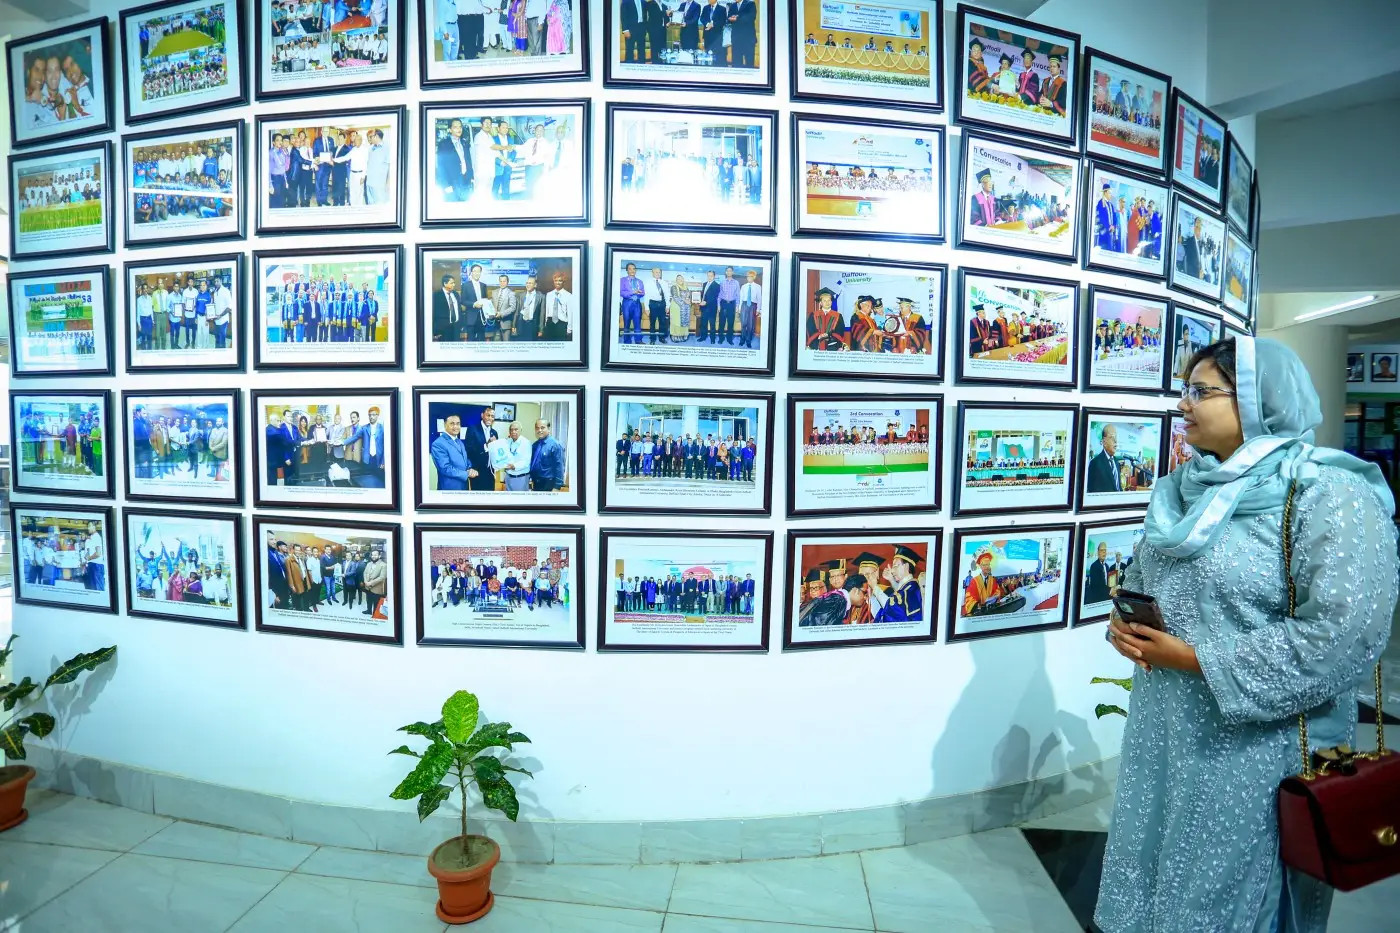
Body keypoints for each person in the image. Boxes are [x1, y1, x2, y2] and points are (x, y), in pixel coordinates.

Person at [1096, 337, 1399, 933]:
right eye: (1184, 389)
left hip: (1256, 746)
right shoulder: (1184, 490)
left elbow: (1345, 634)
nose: (1182, 404)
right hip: (1167, 730)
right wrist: (1125, 627)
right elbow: (1144, 583)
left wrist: (1197, 659)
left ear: (1259, 400)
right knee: (1158, 870)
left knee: (1229, 892)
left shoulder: (1327, 492)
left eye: (1200, 391)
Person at [431, 413, 473, 490]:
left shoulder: (459, 442)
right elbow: (445, 468)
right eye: (452, 424)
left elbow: (465, 460)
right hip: (449, 488)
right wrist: (466, 474)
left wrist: (470, 468)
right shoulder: (438, 444)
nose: (455, 426)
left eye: (458, 424)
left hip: (463, 487)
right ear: (445, 425)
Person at [436, 118, 473, 202]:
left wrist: (471, 176)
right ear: (450, 129)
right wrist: (446, 185)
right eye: (455, 127)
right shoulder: (444, 144)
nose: (459, 129)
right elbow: (441, 166)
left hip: (465, 182)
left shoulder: (464, 143)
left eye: (460, 127)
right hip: (452, 182)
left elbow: (468, 161)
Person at [463, 405, 499, 491]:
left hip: (490, 473)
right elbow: (469, 451)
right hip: (477, 472)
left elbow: (495, 453)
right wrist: (486, 446)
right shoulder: (472, 429)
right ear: (482, 415)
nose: (490, 418)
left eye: (492, 416)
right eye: (488, 415)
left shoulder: (494, 432)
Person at [530, 418, 565, 491]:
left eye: (542, 428)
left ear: (548, 429)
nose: (539, 430)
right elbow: (533, 464)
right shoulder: (535, 445)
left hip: (549, 483)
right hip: (536, 482)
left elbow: (559, 467)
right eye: (537, 428)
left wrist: (557, 487)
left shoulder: (555, 445)